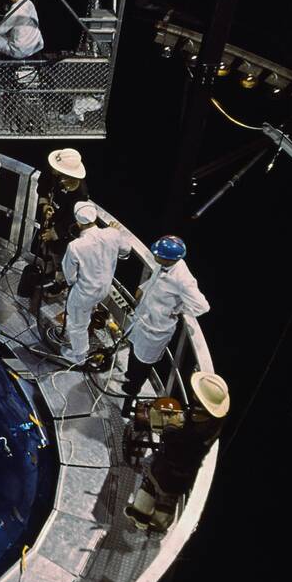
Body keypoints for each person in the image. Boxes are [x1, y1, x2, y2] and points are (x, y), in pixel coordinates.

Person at [126, 372, 229, 533]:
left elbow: (176, 450)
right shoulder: (211, 422)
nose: (193, 394)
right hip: (178, 473)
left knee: (161, 502)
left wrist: (169, 428)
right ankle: (143, 517)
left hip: (170, 473)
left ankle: (154, 523)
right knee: (156, 493)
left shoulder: (196, 433)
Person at [121, 235, 211, 398]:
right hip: (142, 319)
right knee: (133, 351)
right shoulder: (164, 265)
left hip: (155, 329)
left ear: (169, 259)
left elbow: (202, 306)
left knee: (142, 363)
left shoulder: (183, 280)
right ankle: (129, 376)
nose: (154, 255)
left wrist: (179, 309)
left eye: (158, 254)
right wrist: (144, 287)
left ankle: (132, 390)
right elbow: (156, 280)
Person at [59, 200, 129, 365]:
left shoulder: (75, 246)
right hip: (104, 290)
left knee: (77, 324)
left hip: (84, 293)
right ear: (95, 217)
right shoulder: (113, 234)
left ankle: (79, 357)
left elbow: (69, 276)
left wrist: (74, 283)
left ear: (78, 223)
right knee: (88, 310)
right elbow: (126, 251)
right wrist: (114, 233)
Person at [19, 146, 89, 308]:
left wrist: (56, 232)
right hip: (50, 217)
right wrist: (45, 206)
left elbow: (74, 219)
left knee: (60, 255)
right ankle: (48, 272)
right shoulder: (51, 172)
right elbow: (43, 187)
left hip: (65, 229)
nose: (53, 170)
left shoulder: (80, 194)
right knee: (45, 246)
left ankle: (60, 283)